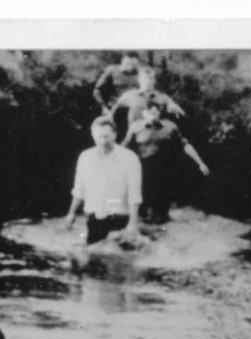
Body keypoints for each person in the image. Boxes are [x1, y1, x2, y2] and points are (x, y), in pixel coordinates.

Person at [125, 98, 210, 224]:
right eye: (150, 112)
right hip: (143, 168)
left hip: (164, 169)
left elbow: (185, 145)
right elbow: (124, 148)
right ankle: (141, 223)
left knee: (162, 203)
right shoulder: (135, 127)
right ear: (144, 113)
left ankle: (161, 222)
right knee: (142, 200)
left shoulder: (170, 126)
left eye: (156, 112)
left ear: (160, 113)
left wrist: (200, 163)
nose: (153, 115)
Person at [64, 117, 143, 247]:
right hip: (94, 217)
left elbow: (135, 194)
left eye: (106, 136)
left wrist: (133, 223)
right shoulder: (85, 157)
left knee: (119, 261)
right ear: (92, 135)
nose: (103, 141)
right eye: (99, 137)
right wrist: (71, 213)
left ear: (115, 134)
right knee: (94, 259)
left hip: (120, 218)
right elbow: (79, 190)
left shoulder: (129, 158)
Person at [113, 67, 185, 137]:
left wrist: (173, 107)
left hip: (156, 136)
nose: (148, 81)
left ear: (154, 80)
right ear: (139, 79)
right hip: (134, 135)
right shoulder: (130, 95)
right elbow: (114, 112)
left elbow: (180, 114)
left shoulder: (163, 98)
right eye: (145, 78)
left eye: (150, 78)